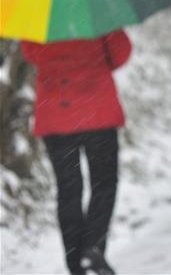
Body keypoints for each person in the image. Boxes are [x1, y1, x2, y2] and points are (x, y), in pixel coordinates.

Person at [22, 30, 132, 275]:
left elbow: (31, 53)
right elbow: (120, 51)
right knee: (104, 182)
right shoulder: (97, 7)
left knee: (69, 188)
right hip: (97, 113)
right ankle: (92, 248)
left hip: (56, 114)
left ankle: (75, 262)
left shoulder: (40, 13)